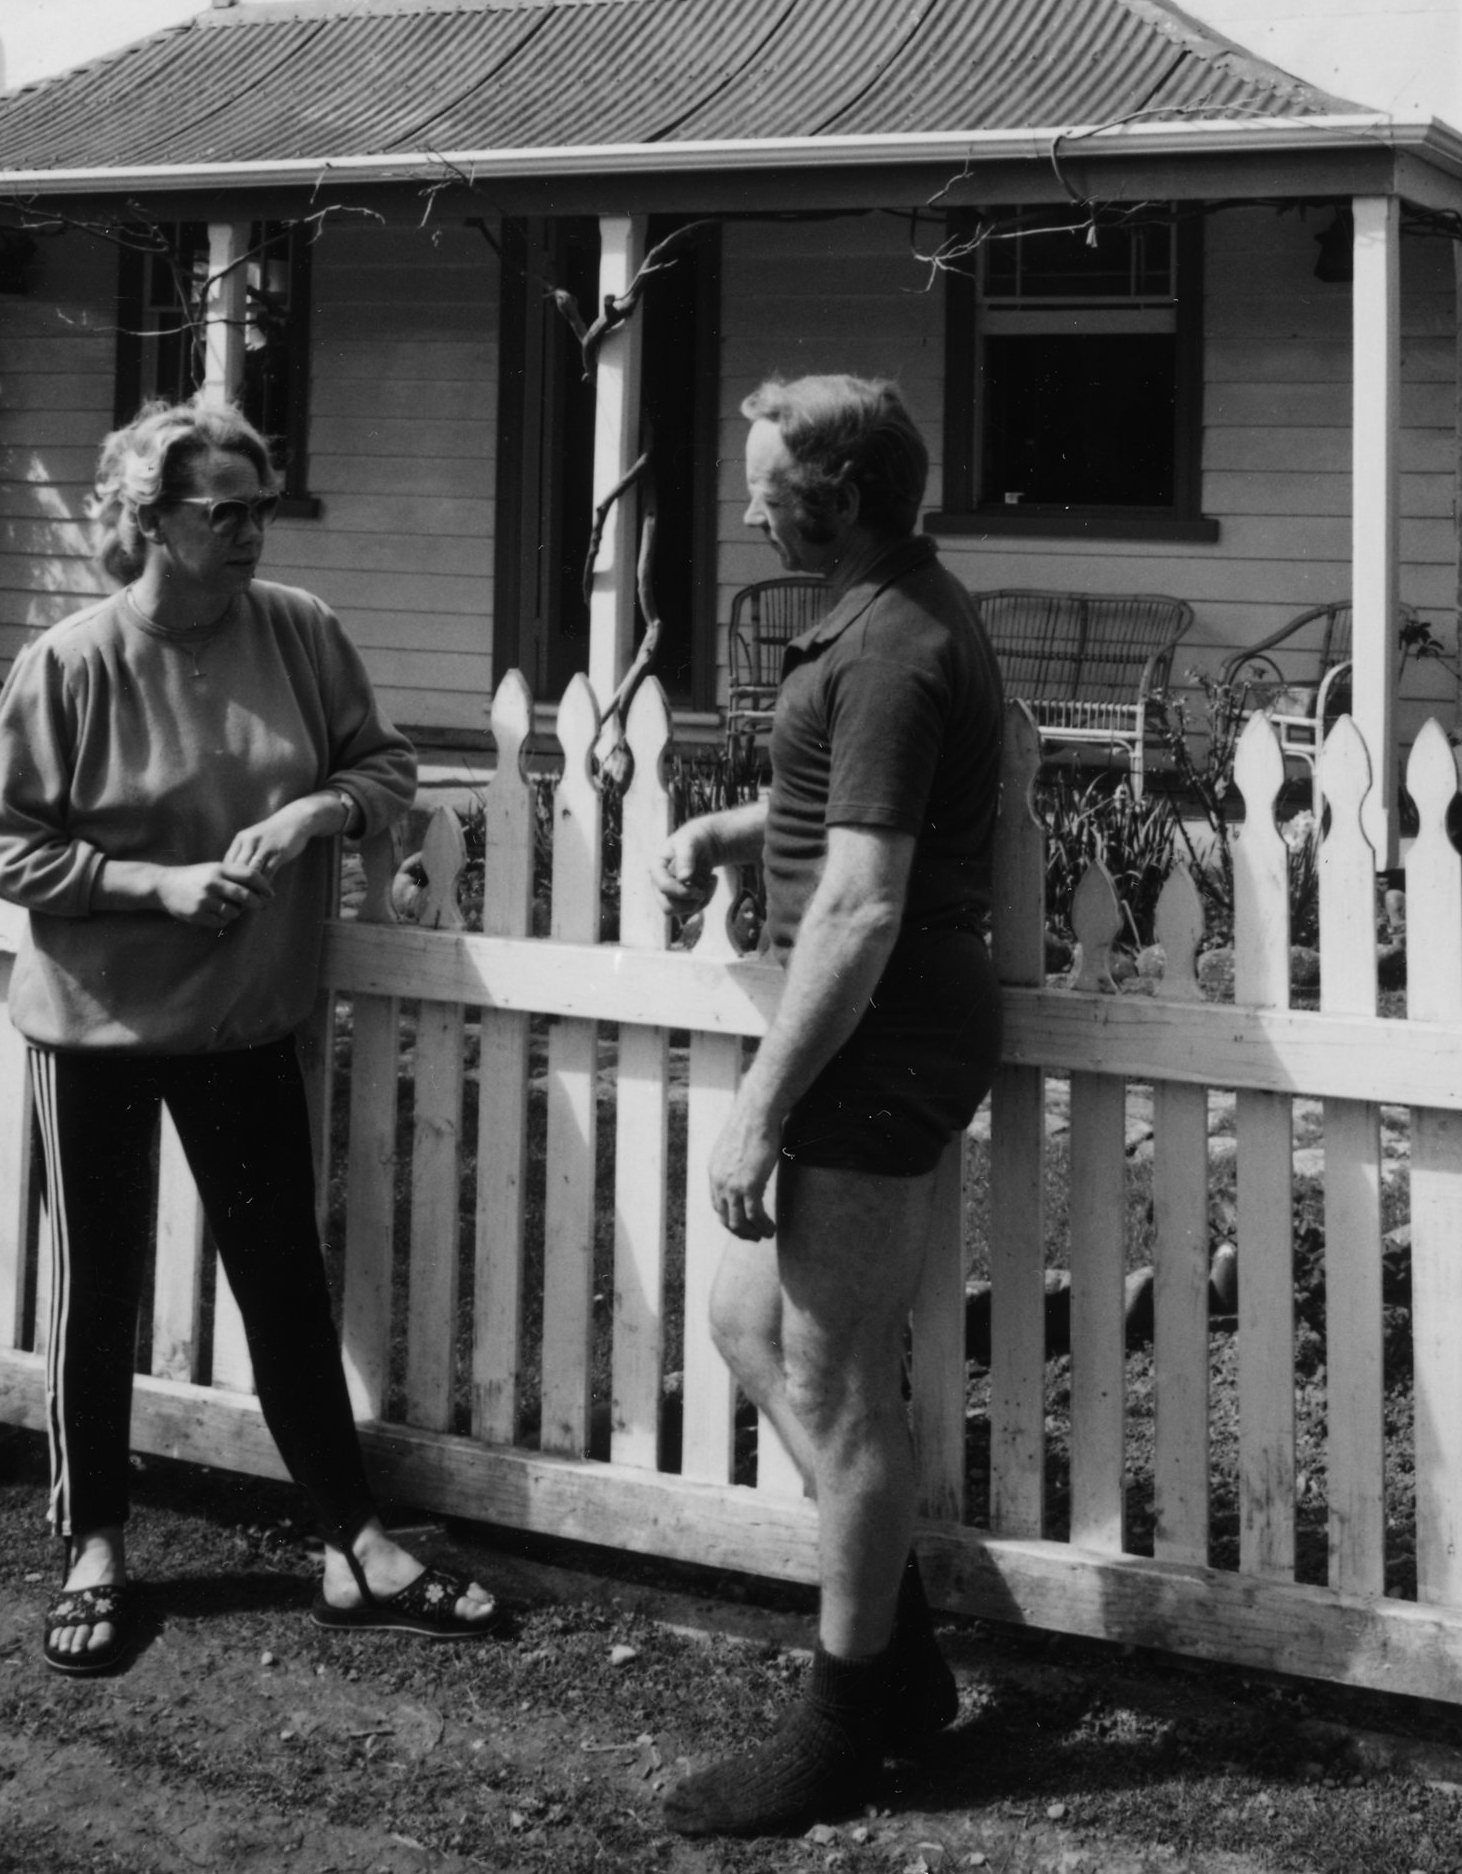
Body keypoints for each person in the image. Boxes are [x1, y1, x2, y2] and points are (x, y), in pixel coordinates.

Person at [0, 396, 500, 1677]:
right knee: (98, 1289)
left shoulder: (300, 631)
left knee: (280, 1277)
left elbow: (385, 768)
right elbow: (1, 846)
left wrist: (317, 809)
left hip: (247, 1021)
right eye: (226, 509)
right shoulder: (72, 661)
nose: (254, 528)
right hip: (97, 1027)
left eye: (263, 504)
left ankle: (354, 1538)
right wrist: (149, 884)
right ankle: (95, 1540)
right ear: (147, 518)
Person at [658, 374, 1006, 1838]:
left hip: (876, 1039)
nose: (747, 505)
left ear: (845, 491)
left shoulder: (897, 646)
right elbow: (860, 819)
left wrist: (759, 1108)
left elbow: (862, 908)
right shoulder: (886, 616)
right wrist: (741, 826)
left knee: (839, 1385)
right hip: (865, 1032)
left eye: (768, 483)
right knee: (755, 1326)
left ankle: (845, 1727)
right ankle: (905, 1660)